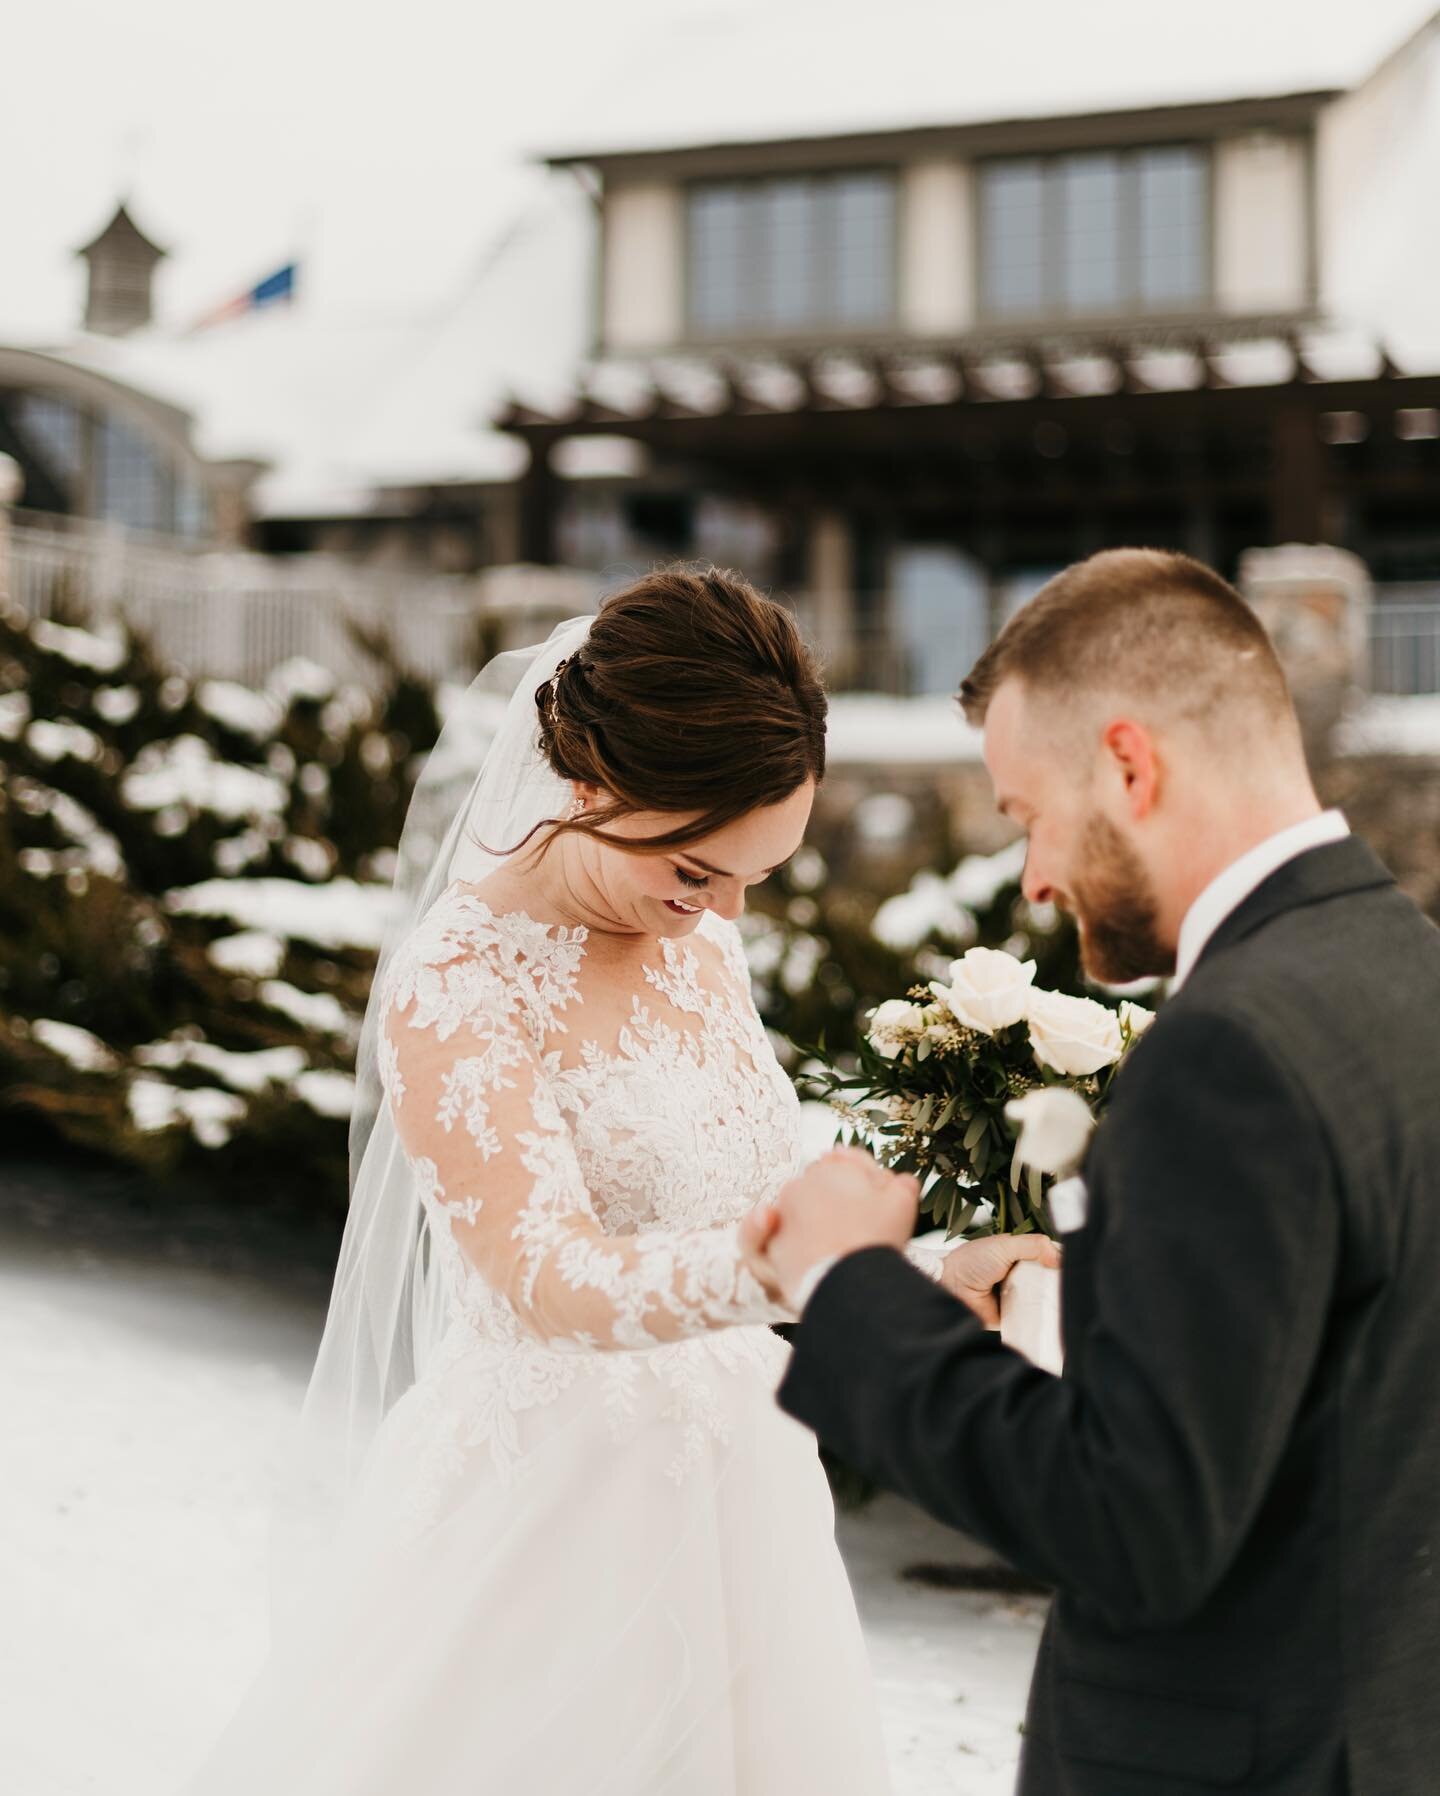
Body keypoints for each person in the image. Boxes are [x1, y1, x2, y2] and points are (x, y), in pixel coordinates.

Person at [180, 566, 1047, 1796]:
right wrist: (787, 1262)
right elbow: (553, 1278)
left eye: (755, 876)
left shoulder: (702, 942)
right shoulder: (461, 982)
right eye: (697, 869)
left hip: (748, 1499)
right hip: (551, 1536)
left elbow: (740, 1204)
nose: (723, 910)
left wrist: (920, 1271)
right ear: (591, 781)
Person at [752, 548, 1440, 1795]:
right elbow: (1356, 1340)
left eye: (1027, 815)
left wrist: (854, 1281)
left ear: (1130, 763)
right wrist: (1093, 1286)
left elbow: (1133, 1521)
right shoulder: (1407, 965)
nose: (1034, 874)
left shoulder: (1228, 1048)